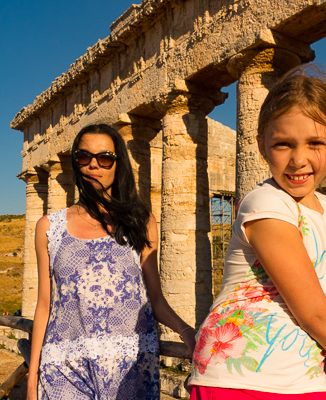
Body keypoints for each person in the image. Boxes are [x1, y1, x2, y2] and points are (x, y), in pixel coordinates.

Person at [189, 65, 326, 399]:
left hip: (302, 377)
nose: (298, 159)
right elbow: (314, 314)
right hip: (238, 378)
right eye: (283, 144)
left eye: (315, 143)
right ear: (262, 147)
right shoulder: (265, 203)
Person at [27, 124, 196, 400]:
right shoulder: (48, 227)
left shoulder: (141, 222)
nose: (94, 165)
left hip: (130, 368)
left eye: (104, 158)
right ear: (75, 162)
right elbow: (45, 305)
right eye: (84, 157)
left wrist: (186, 331)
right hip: (65, 369)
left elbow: (155, 298)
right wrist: (33, 379)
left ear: (118, 165)